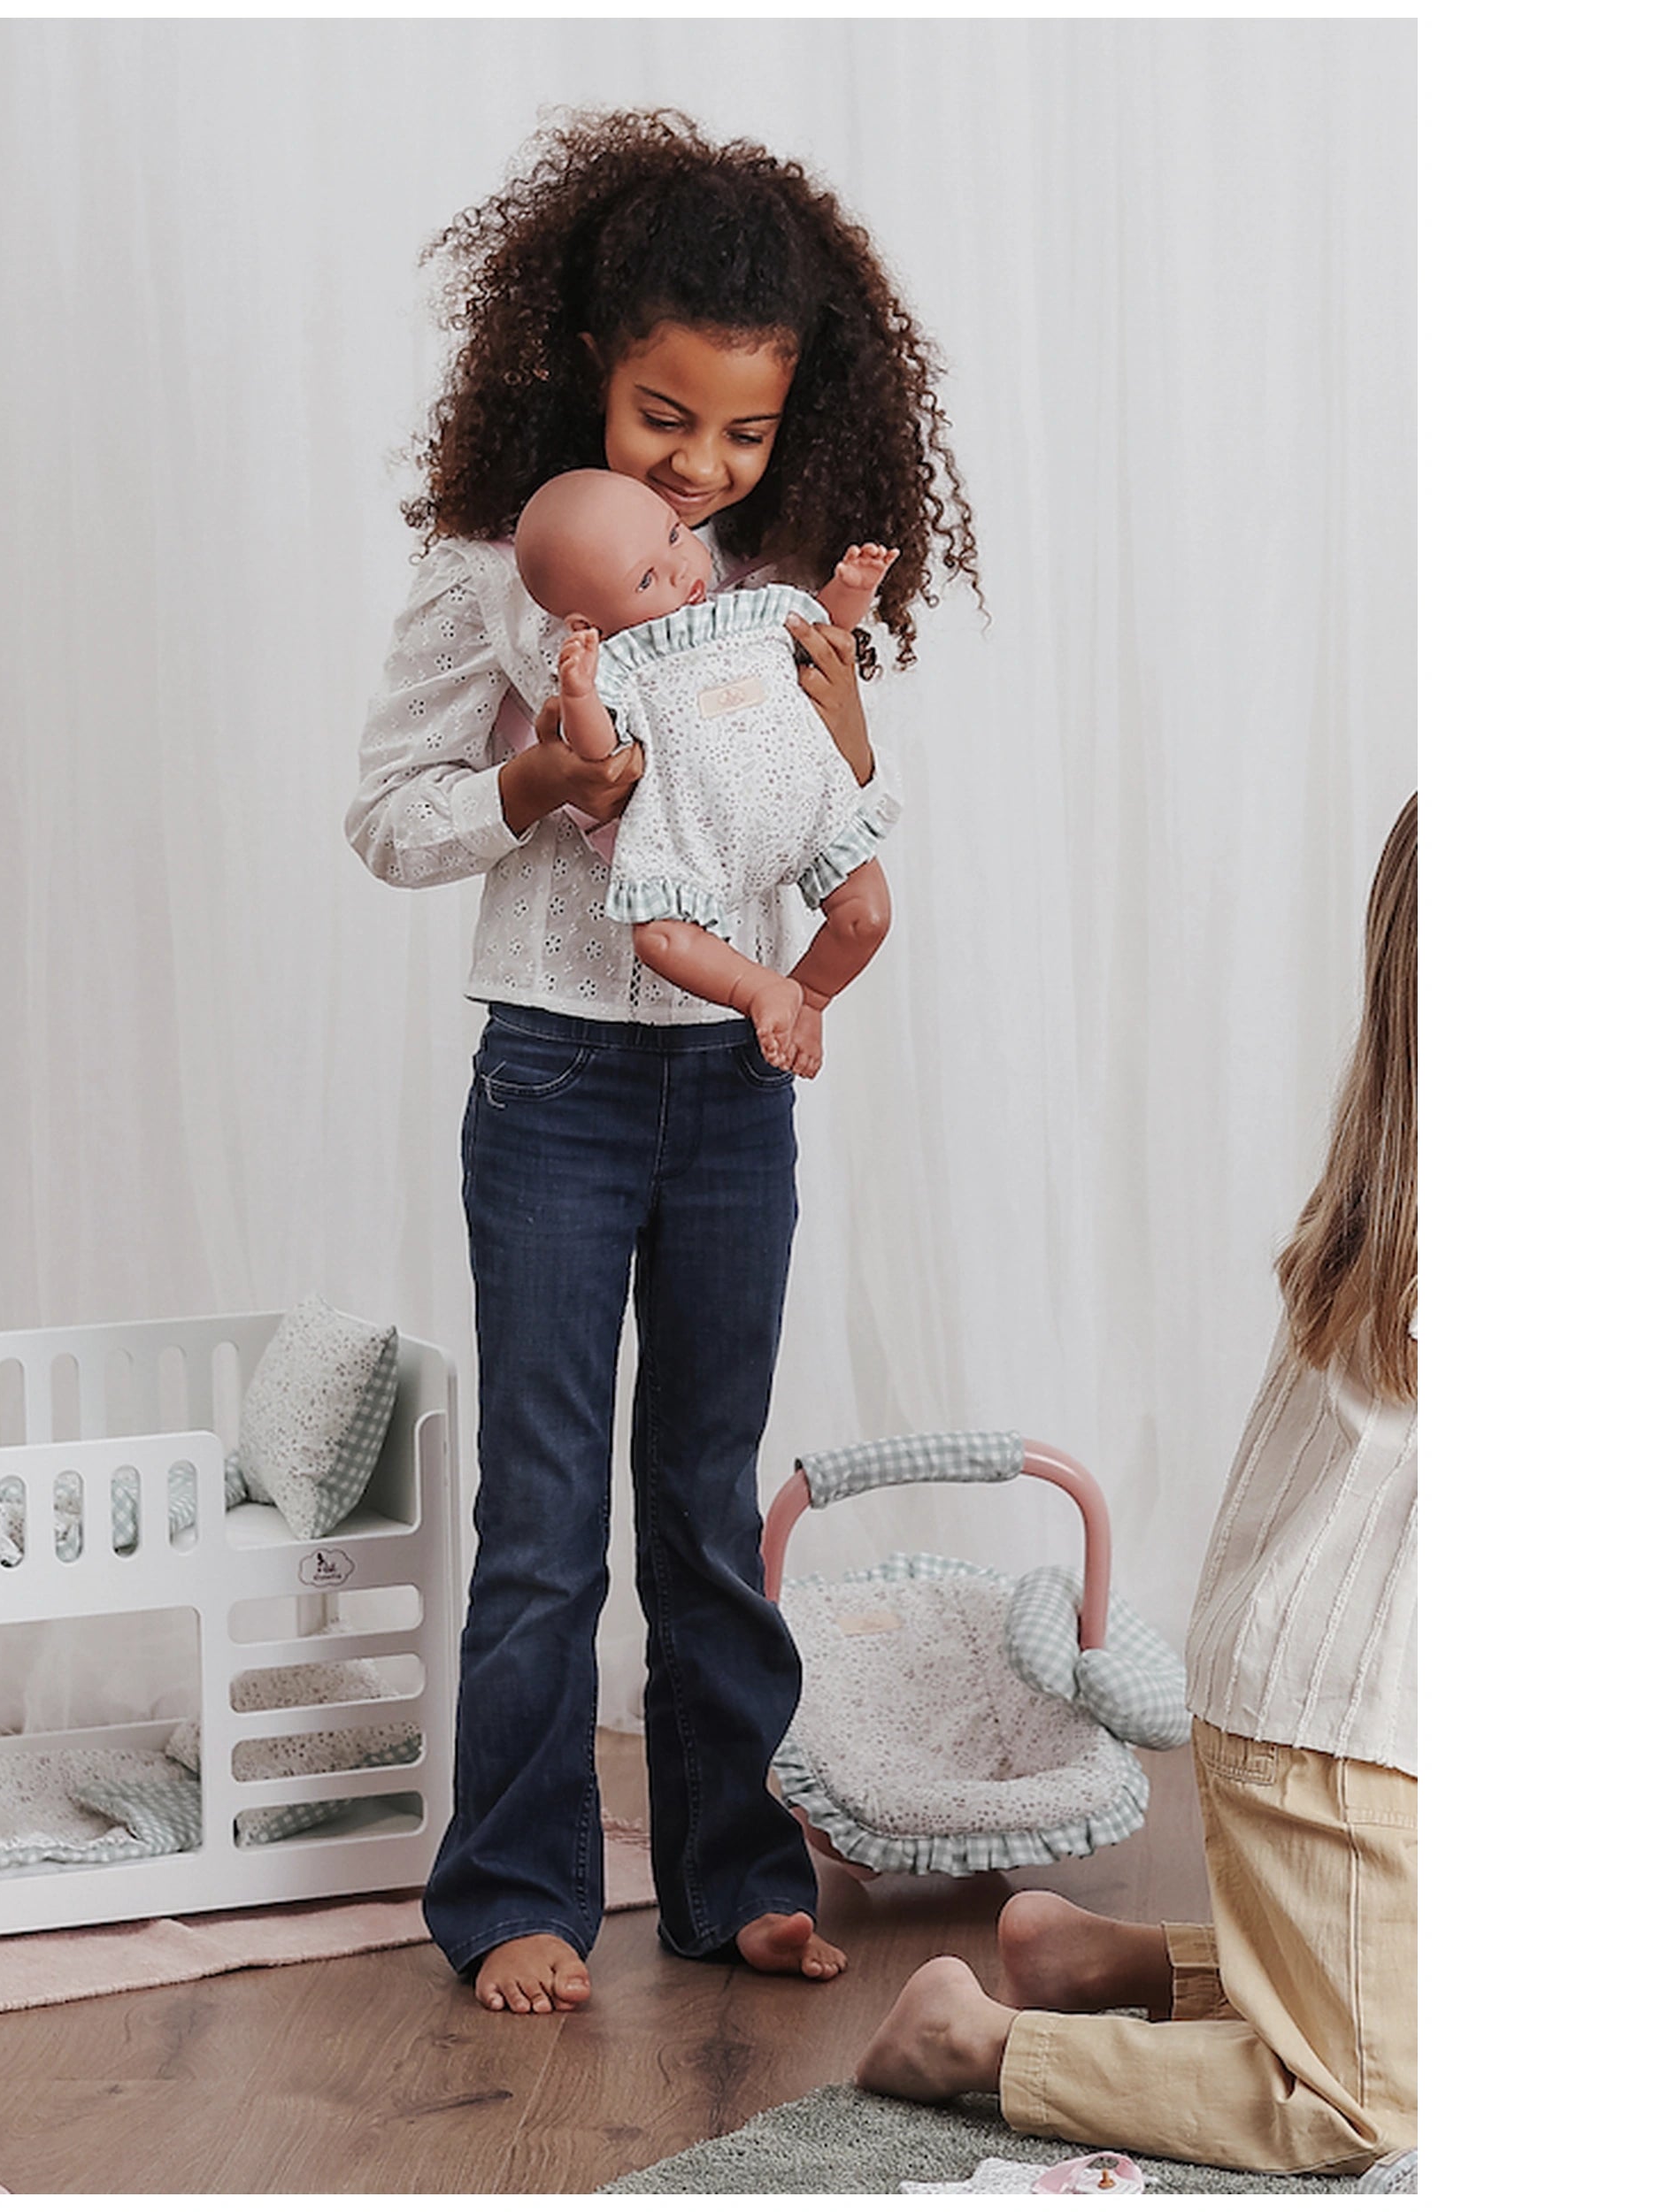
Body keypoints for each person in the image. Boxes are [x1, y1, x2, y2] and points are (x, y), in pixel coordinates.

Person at [345, 106, 977, 2016]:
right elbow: (385, 817)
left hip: (726, 1080)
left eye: (741, 434)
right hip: (550, 1076)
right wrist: (537, 781)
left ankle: (729, 1874)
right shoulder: (492, 562)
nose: (697, 466)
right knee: (541, 1513)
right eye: (658, 416)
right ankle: (511, 1891)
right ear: (582, 368)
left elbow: (813, 808)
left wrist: (846, 708)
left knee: (702, 1496)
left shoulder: (766, 583)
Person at [857, 795, 1419, 2177]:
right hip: (1344, 1736)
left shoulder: (1394, 1191)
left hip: (1332, 1715)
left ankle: (1120, 1961)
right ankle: (980, 2044)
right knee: (1373, 2110)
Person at [515, 468, 896, 1075]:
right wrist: (580, 691)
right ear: (587, 624)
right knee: (660, 939)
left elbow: (822, 632)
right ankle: (758, 989)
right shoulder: (623, 665)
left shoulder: (752, 614)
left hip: (809, 811)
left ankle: (811, 996)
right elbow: (595, 752)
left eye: (673, 536)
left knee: (868, 915)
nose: (678, 568)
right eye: (645, 578)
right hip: (693, 840)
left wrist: (852, 588)